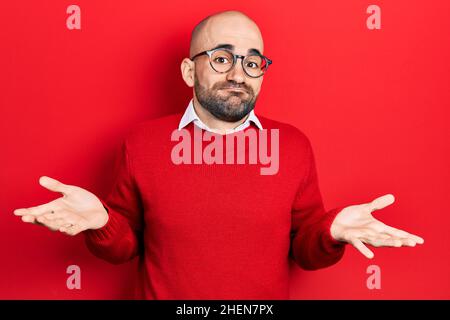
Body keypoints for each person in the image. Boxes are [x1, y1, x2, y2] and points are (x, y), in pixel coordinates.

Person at [13, 10, 424, 299]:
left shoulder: (293, 146)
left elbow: (303, 252)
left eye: (252, 62)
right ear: (190, 71)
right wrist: (101, 222)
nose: (237, 74)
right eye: (222, 58)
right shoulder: (141, 143)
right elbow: (124, 248)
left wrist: (331, 232)